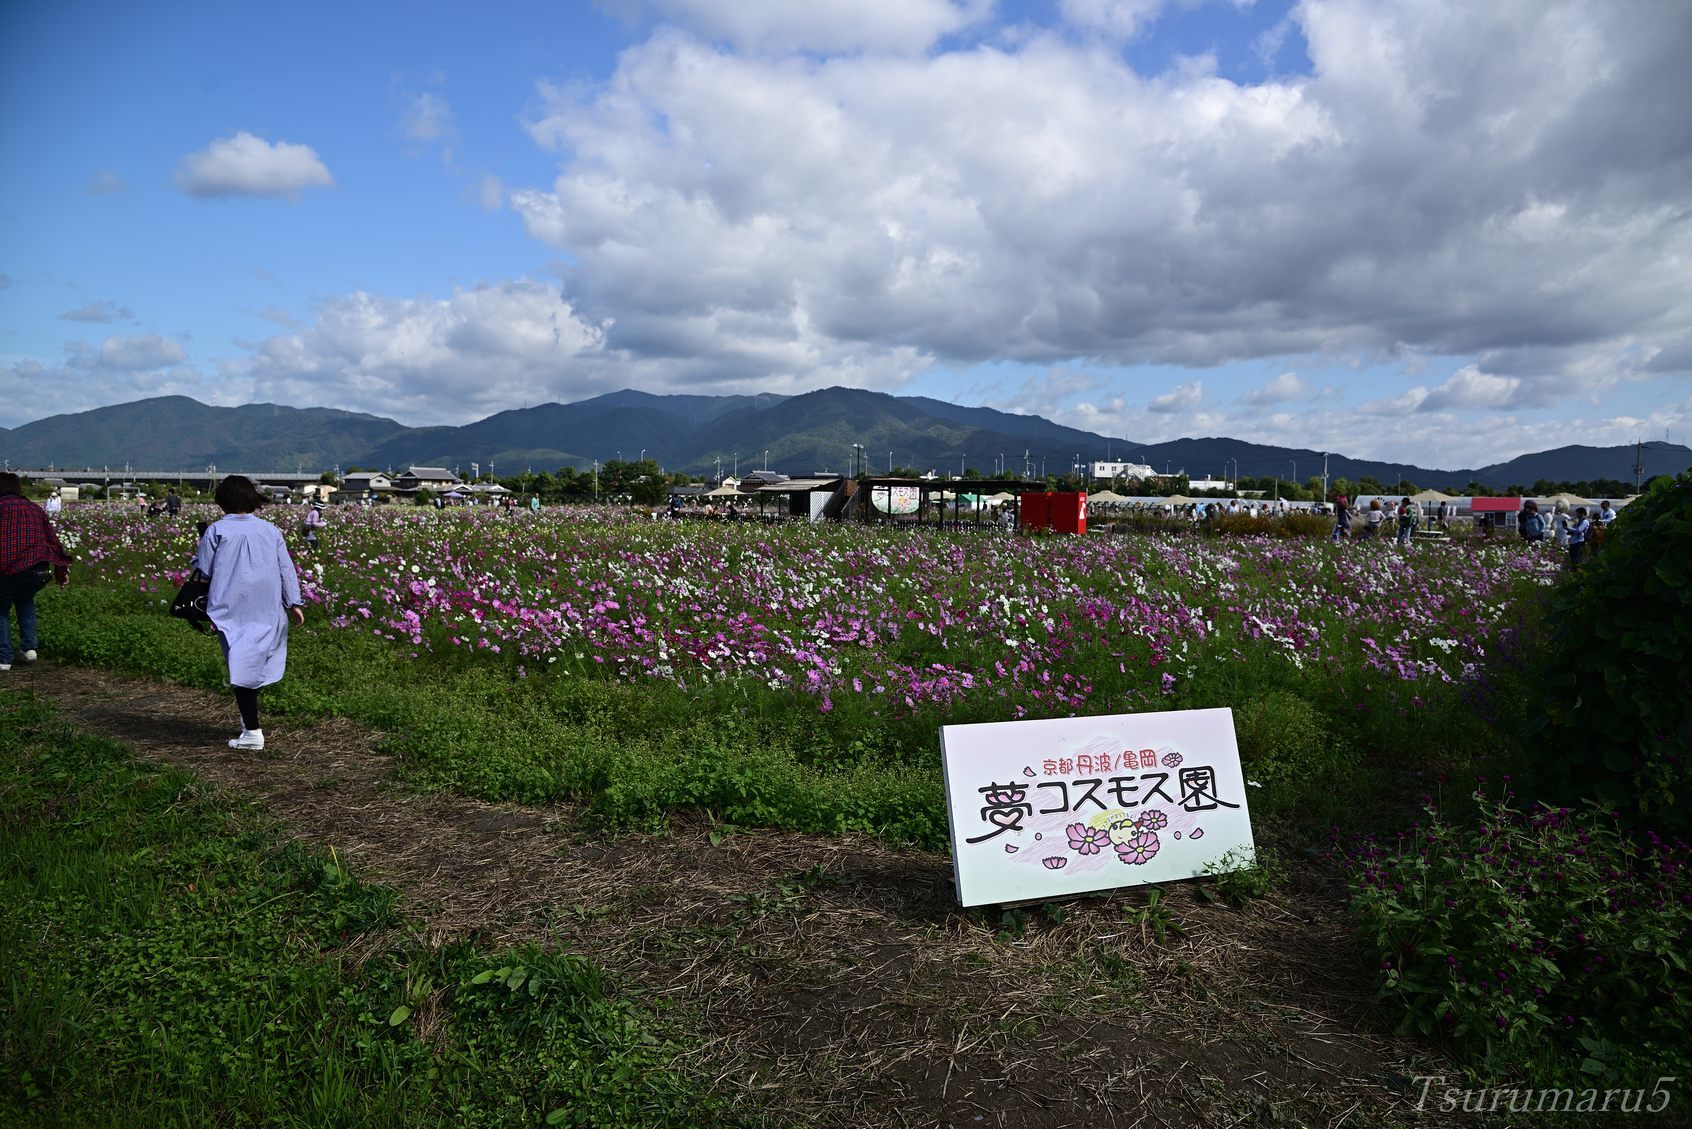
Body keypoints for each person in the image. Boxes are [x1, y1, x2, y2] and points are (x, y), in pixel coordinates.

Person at [194, 475, 305, 750]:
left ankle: (253, 733)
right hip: (267, 607)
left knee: (241, 664)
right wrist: (295, 603)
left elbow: (204, 572)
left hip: (229, 607)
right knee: (250, 664)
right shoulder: (270, 530)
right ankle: (248, 725)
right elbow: (286, 569)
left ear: (222, 500)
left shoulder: (216, 531)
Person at [0, 473, 74, 672]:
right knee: (25, 601)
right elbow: (53, 541)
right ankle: (30, 649)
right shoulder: (34, 508)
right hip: (38, 570)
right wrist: (61, 570)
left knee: (1, 608)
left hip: (8, 569)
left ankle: (4, 658)